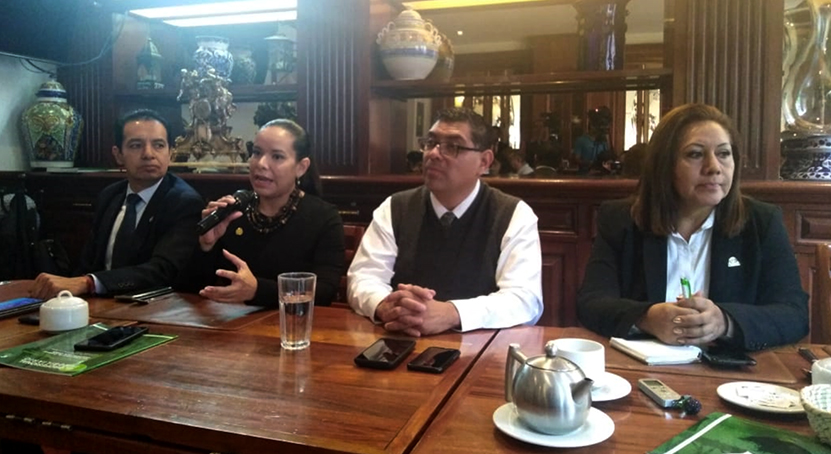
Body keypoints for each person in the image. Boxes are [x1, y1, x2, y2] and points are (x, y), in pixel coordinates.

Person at [577, 103, 808, 351]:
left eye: (724, 153)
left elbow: (794, 314)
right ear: (665, 165)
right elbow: (591, 303)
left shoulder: (762, 222)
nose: (714, 167)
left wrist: (724, 322)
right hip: (642, 367)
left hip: (728, 369)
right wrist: (647, 318)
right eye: (695, 154)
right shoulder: (621, 220)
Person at [347, 107, 543, 336]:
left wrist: (452, 313)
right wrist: (387, 306)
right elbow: (363, 277)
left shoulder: (513, 214)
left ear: (484, 161)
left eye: (452, 147)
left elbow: (525, 299)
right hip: (400, 340)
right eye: (430, 143)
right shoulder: (395, 207)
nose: (434, 154)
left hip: (480, 349)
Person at [29, 109, 204, 299]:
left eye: (159, 145)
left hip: (152, 306)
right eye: (136, 145)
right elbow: (88, 263)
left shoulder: (184, 202)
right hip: (99, 305)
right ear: (118, 154)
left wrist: (89, 283)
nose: (148, 154)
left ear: (170, 152)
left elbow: (162, 271)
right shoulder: (110, 196)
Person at [177, 119, 345, 307]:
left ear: (301, 167)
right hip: (232, 321)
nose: (262, 164)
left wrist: (257, 290)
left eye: (277, 157)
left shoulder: (323, 217)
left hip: (292, 322)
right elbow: (189, 289)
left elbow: (324, 292)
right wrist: (205, 246)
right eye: (256, 153)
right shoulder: (233, 210)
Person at [572, 106, 613, 174]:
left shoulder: (603, 140)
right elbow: (576, 159)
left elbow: (607, 157)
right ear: (591, 126)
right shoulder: (581, 140)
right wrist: (589, 163)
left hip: (601, 175)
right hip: (585, 175)